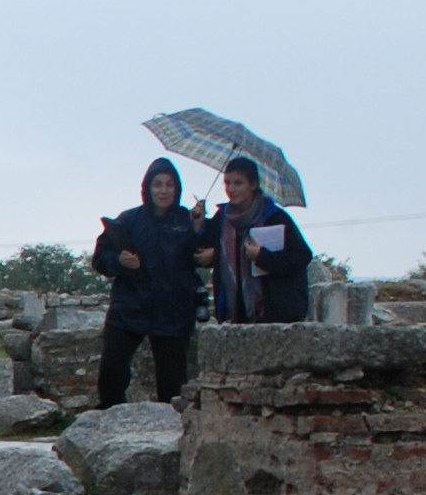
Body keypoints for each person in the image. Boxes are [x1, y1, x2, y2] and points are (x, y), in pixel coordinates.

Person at [88, 158, 208, 404]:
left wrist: (199, 229)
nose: (163, 191)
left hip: (173, 310)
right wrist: (120, 261)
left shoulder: (187, 221)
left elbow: (202, 258)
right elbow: (100, 258)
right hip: (129, 307)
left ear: (177, 189)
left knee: (172, 384)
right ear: (147, 187)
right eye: (157, 184)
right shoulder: (129, 220)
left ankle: (173, 435)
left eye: (169, 185)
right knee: (111, 374)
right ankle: (109, 428)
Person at [210, 154, 315, 323]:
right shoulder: (223, 217)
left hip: (272, 309)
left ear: (254, 184)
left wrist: (262, 256)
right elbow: (204, 245)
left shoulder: (274, 217)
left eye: (238, 183)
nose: (231, 189)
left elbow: (302, 255)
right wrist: (198, 224)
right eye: (227, 183)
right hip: (235, 311)